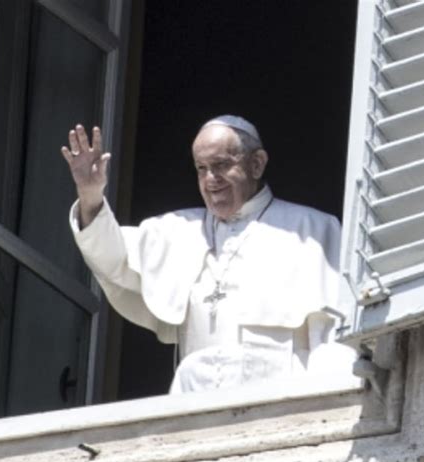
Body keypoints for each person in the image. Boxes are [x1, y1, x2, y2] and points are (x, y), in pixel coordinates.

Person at [62, 115, 358, 394]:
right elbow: (112, 256)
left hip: (280, 401)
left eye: (220, 164)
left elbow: (333, 335)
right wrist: (90, 195)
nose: (210, 179)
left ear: (257, 164)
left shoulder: (312, 229)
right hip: (197, 399)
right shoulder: (178, 230)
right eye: (201, 168)